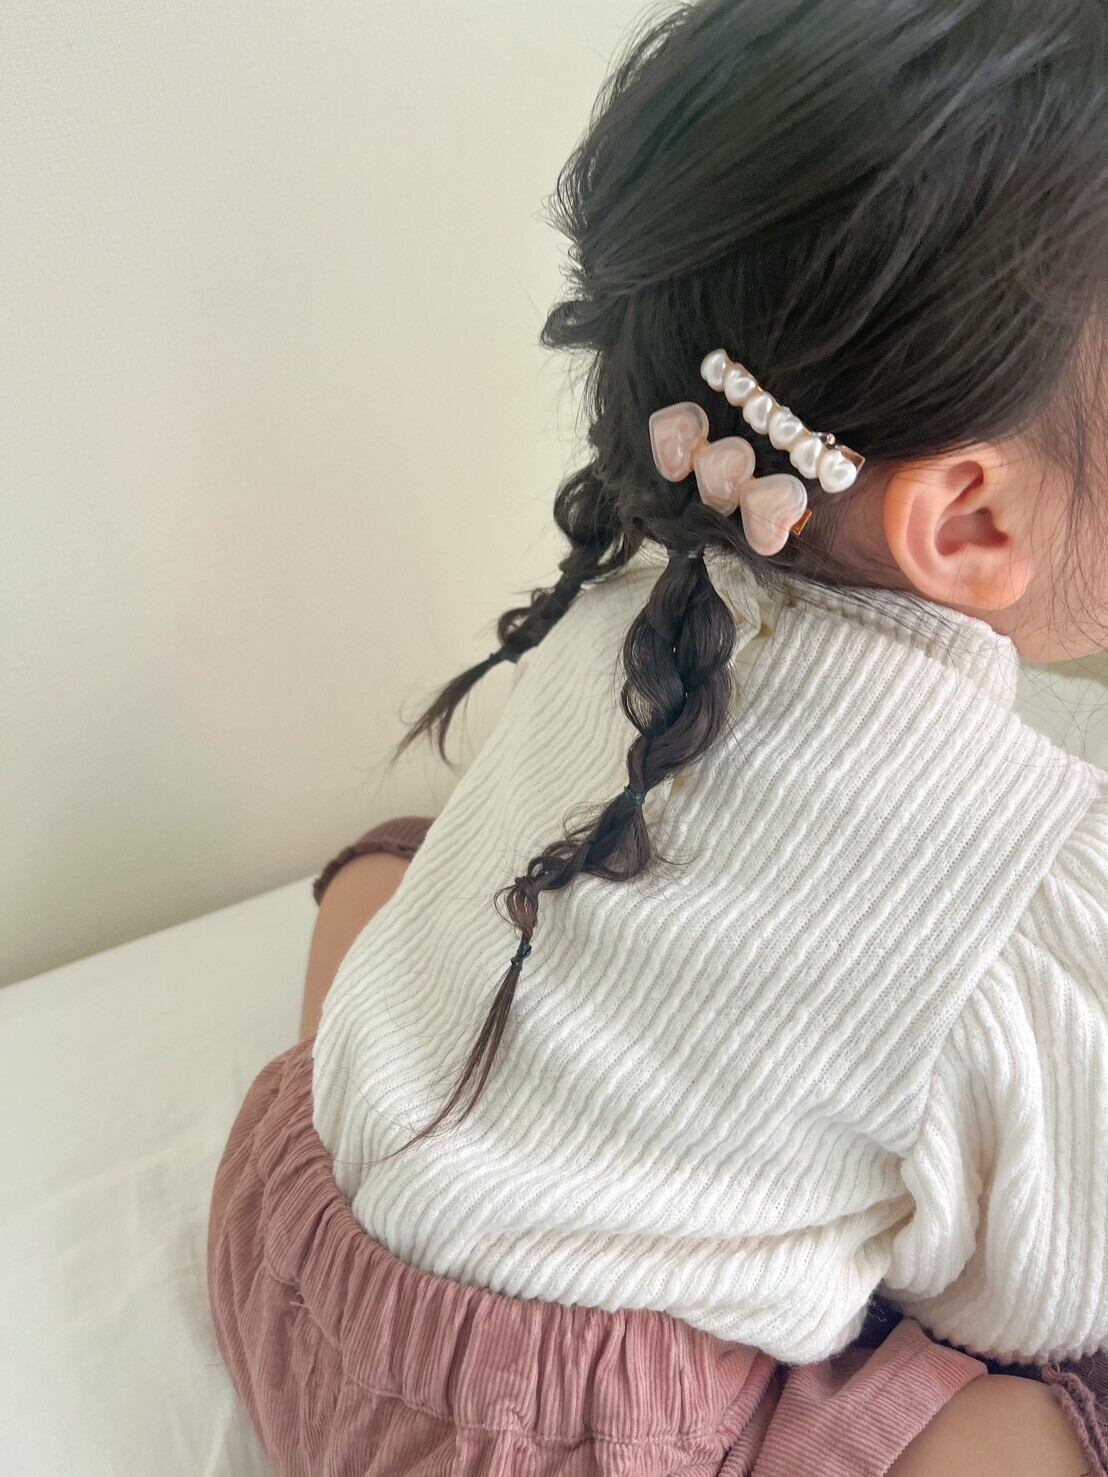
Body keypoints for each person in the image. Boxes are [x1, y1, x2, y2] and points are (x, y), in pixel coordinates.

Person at [208, 2, 1108, 1472]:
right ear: (969, 519)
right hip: (553, 1439)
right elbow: (1031, 1298)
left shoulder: (636, 606)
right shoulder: (1038, 885)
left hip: (285, 1255)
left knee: (407, 870)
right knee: (1061, 1392)